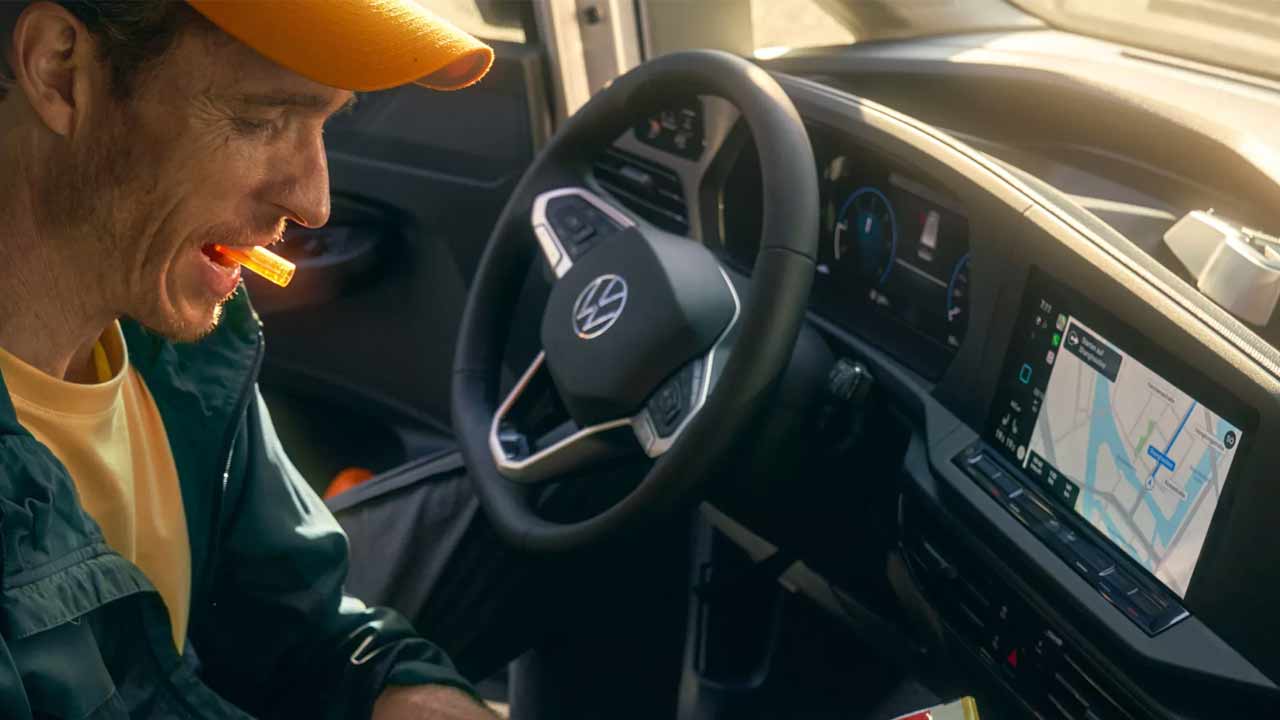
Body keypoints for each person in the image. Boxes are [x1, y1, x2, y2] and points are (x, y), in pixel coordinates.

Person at [0, 1, 501, 717]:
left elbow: (300, 621)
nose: (314, 202)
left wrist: (400, 689)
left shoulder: (180, 345)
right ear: (60, 71)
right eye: (262, 119)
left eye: (325, 122)